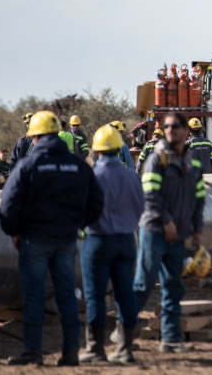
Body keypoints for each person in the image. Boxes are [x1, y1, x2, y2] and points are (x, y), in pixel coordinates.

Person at [0, 111, 104, 366]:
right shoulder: (78, 166)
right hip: (66, 240)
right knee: (67, 296)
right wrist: (78, 226)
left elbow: (8, 205)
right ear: (58, 135)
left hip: (34, 240)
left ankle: (33, 352)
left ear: (34, 138)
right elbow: (97, 203)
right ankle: (70, 354)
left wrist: (14, 231)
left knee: (34, 297)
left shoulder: (27, 165)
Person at [134, 112, 205, 352]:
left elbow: (199, 198)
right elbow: (150, 195)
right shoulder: (157, 159)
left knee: (173, 286)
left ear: (186, 131)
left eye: (175, 126)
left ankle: (171, 340)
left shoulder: (193, 162)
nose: (170, 130)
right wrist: (166, 222)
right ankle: (122, 335)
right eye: (166, 126)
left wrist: (197, 230)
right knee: (143, 285)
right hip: (154, 231)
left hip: (179, 234)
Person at [79, 125, 145, 364]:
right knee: (125, 292)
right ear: (119, 149)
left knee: (95, 295)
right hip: (127, 240)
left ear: (95, 151)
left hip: (98, 240)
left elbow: (82, 210)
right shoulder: (131, 176)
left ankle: (96, 349)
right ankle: (126, 349)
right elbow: (140, 207)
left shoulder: (93, 177)